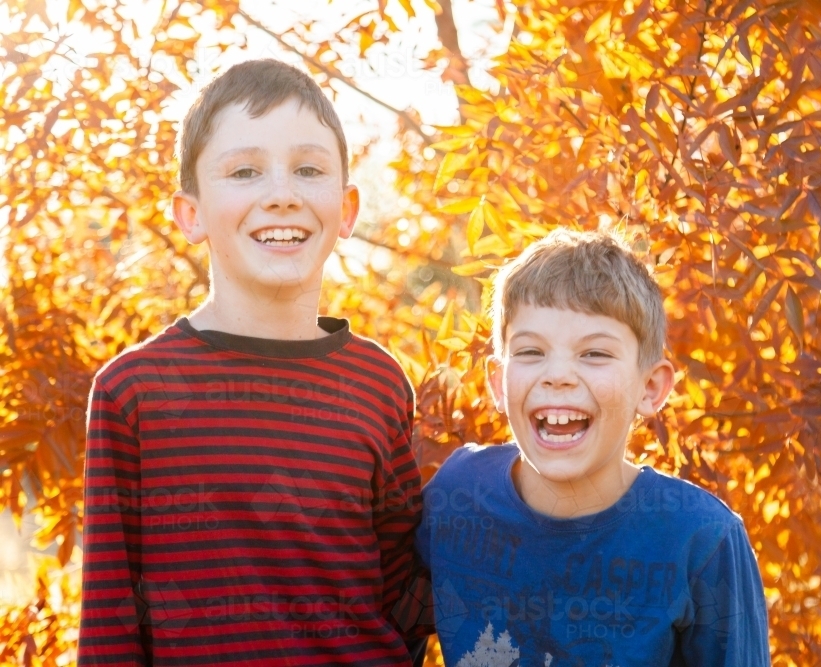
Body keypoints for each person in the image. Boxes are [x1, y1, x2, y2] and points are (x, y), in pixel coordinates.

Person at [79, 59, 427, 666]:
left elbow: (405, 590)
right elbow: (110, 626)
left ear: (346, 210)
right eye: (244, 171)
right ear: (190, 215)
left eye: (309, 170)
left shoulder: (379, 383)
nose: (282, 195)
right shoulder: (135, 393)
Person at [416, 229, 771, 666]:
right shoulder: (456, 495)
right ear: (498, 383)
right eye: (530, 351)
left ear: (651, 387)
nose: (558, 375)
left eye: (595, 354)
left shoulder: (701, 540)